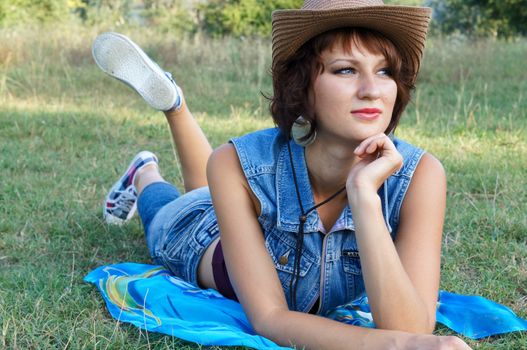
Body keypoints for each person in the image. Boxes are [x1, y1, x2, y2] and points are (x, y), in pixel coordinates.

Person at [93, 0, 472, 348]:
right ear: (303, 87)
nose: (372, 90)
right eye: (346, 70)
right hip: (203, 237)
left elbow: (412, 324)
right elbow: (271, 318)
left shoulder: (421, 174)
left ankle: (176, 104)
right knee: (174, 206)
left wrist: (364, 197)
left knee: (212, 186)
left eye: (384, 71)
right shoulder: (235, 164)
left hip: (238, 199)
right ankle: (144, 173)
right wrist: (398, 347)